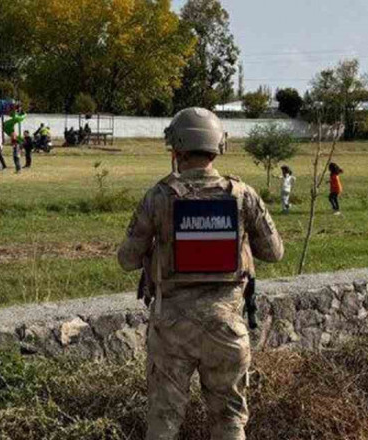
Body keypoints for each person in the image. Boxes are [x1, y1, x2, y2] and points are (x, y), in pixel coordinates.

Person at [117, 107, 284, 440]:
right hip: (227, 327)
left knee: (163, 422)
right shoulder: (243, 195)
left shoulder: (159, 196)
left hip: (171, 331)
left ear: (176, 149)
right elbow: (274, 252)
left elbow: (127, 259)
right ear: (219, 145)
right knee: (229, 421)